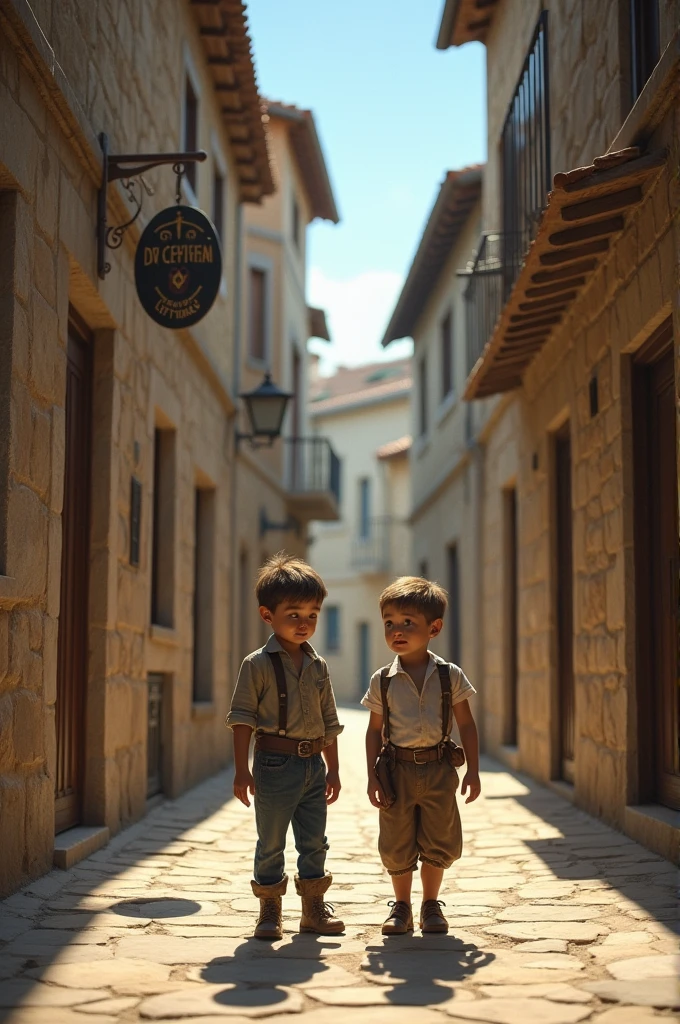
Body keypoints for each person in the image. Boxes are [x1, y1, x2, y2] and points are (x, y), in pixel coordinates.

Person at [226, 552, 345, 941]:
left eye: (312, 614)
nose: (304, 623)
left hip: (314, 767)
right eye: (294, 614)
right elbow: (242, 717)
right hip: (274, 763)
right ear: (267, 616)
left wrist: (335, 769)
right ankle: (269, 912)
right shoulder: (256, 664)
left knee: (314, 840)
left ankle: (312, 911)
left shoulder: (319, 666)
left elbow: (329, 721)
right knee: (272, 840)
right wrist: (242, 769)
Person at [362, 576, 481, 935]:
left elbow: (467, 725)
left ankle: (431, 904)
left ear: (434, 627)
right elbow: (372, 731)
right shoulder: (382, 680)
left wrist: (473, 771)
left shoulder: (449, 676)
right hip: (396, 771)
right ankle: (401, 907)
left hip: (439, 769)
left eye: (407, 623)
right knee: (396, 841)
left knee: (439, 839)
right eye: (389, 623)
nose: (396, 630)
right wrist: (371, 776)